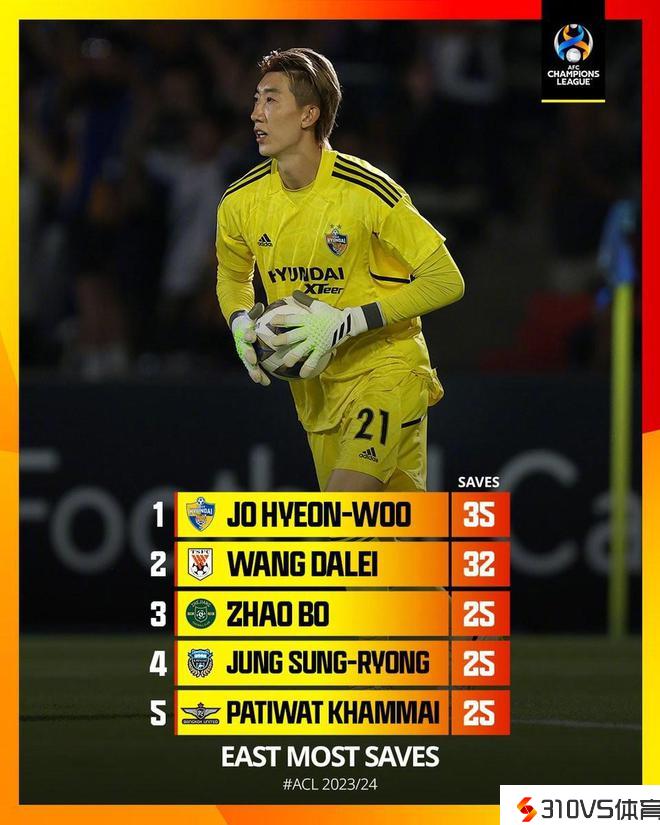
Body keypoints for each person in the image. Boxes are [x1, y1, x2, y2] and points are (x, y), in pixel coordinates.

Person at [216, 47, 464, 493]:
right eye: (256, 99)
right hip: (318, 390)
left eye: (270, 99)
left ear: (308, 114)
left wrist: (347, 322)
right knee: (388, 531)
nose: (255, 113)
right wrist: (238, 320)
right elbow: (233, 276)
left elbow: (447, 280)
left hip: (387, 370)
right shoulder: (240, 203)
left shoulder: (367, 191)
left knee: (340, 511)